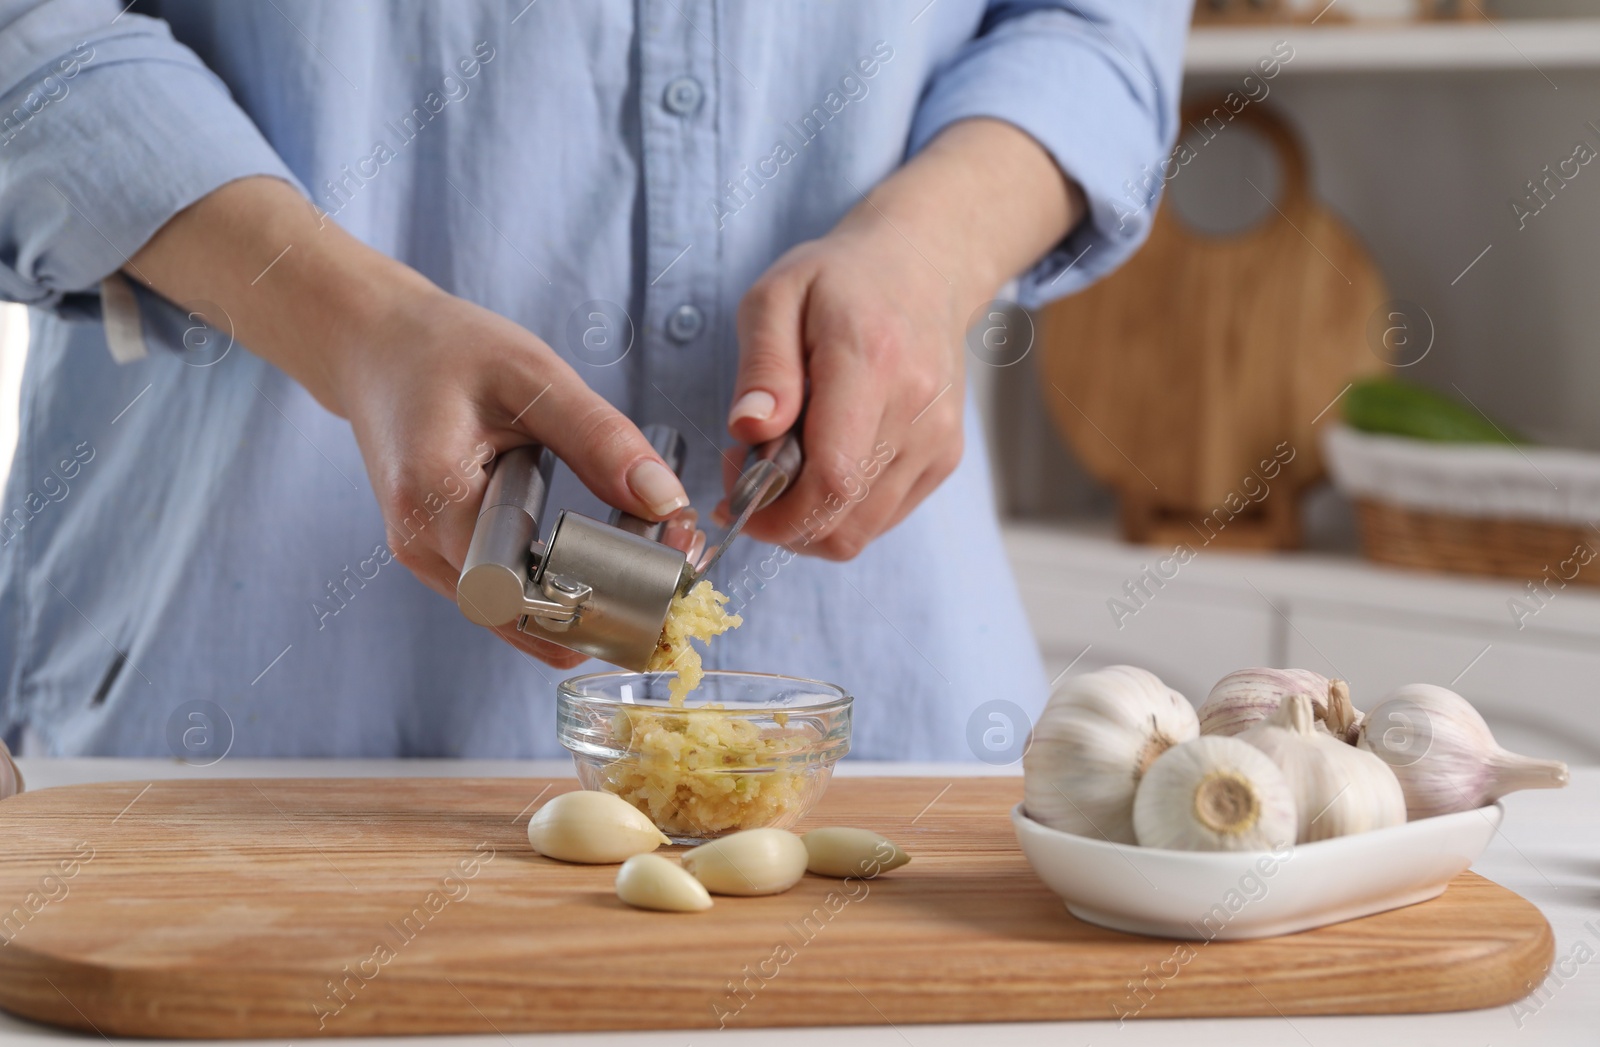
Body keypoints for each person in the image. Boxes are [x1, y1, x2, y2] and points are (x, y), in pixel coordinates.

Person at [0, 1, 1186, 760]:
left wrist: (931, 250)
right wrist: (355, 326)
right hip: (240, 712)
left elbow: (1095, 27)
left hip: (885, 706)